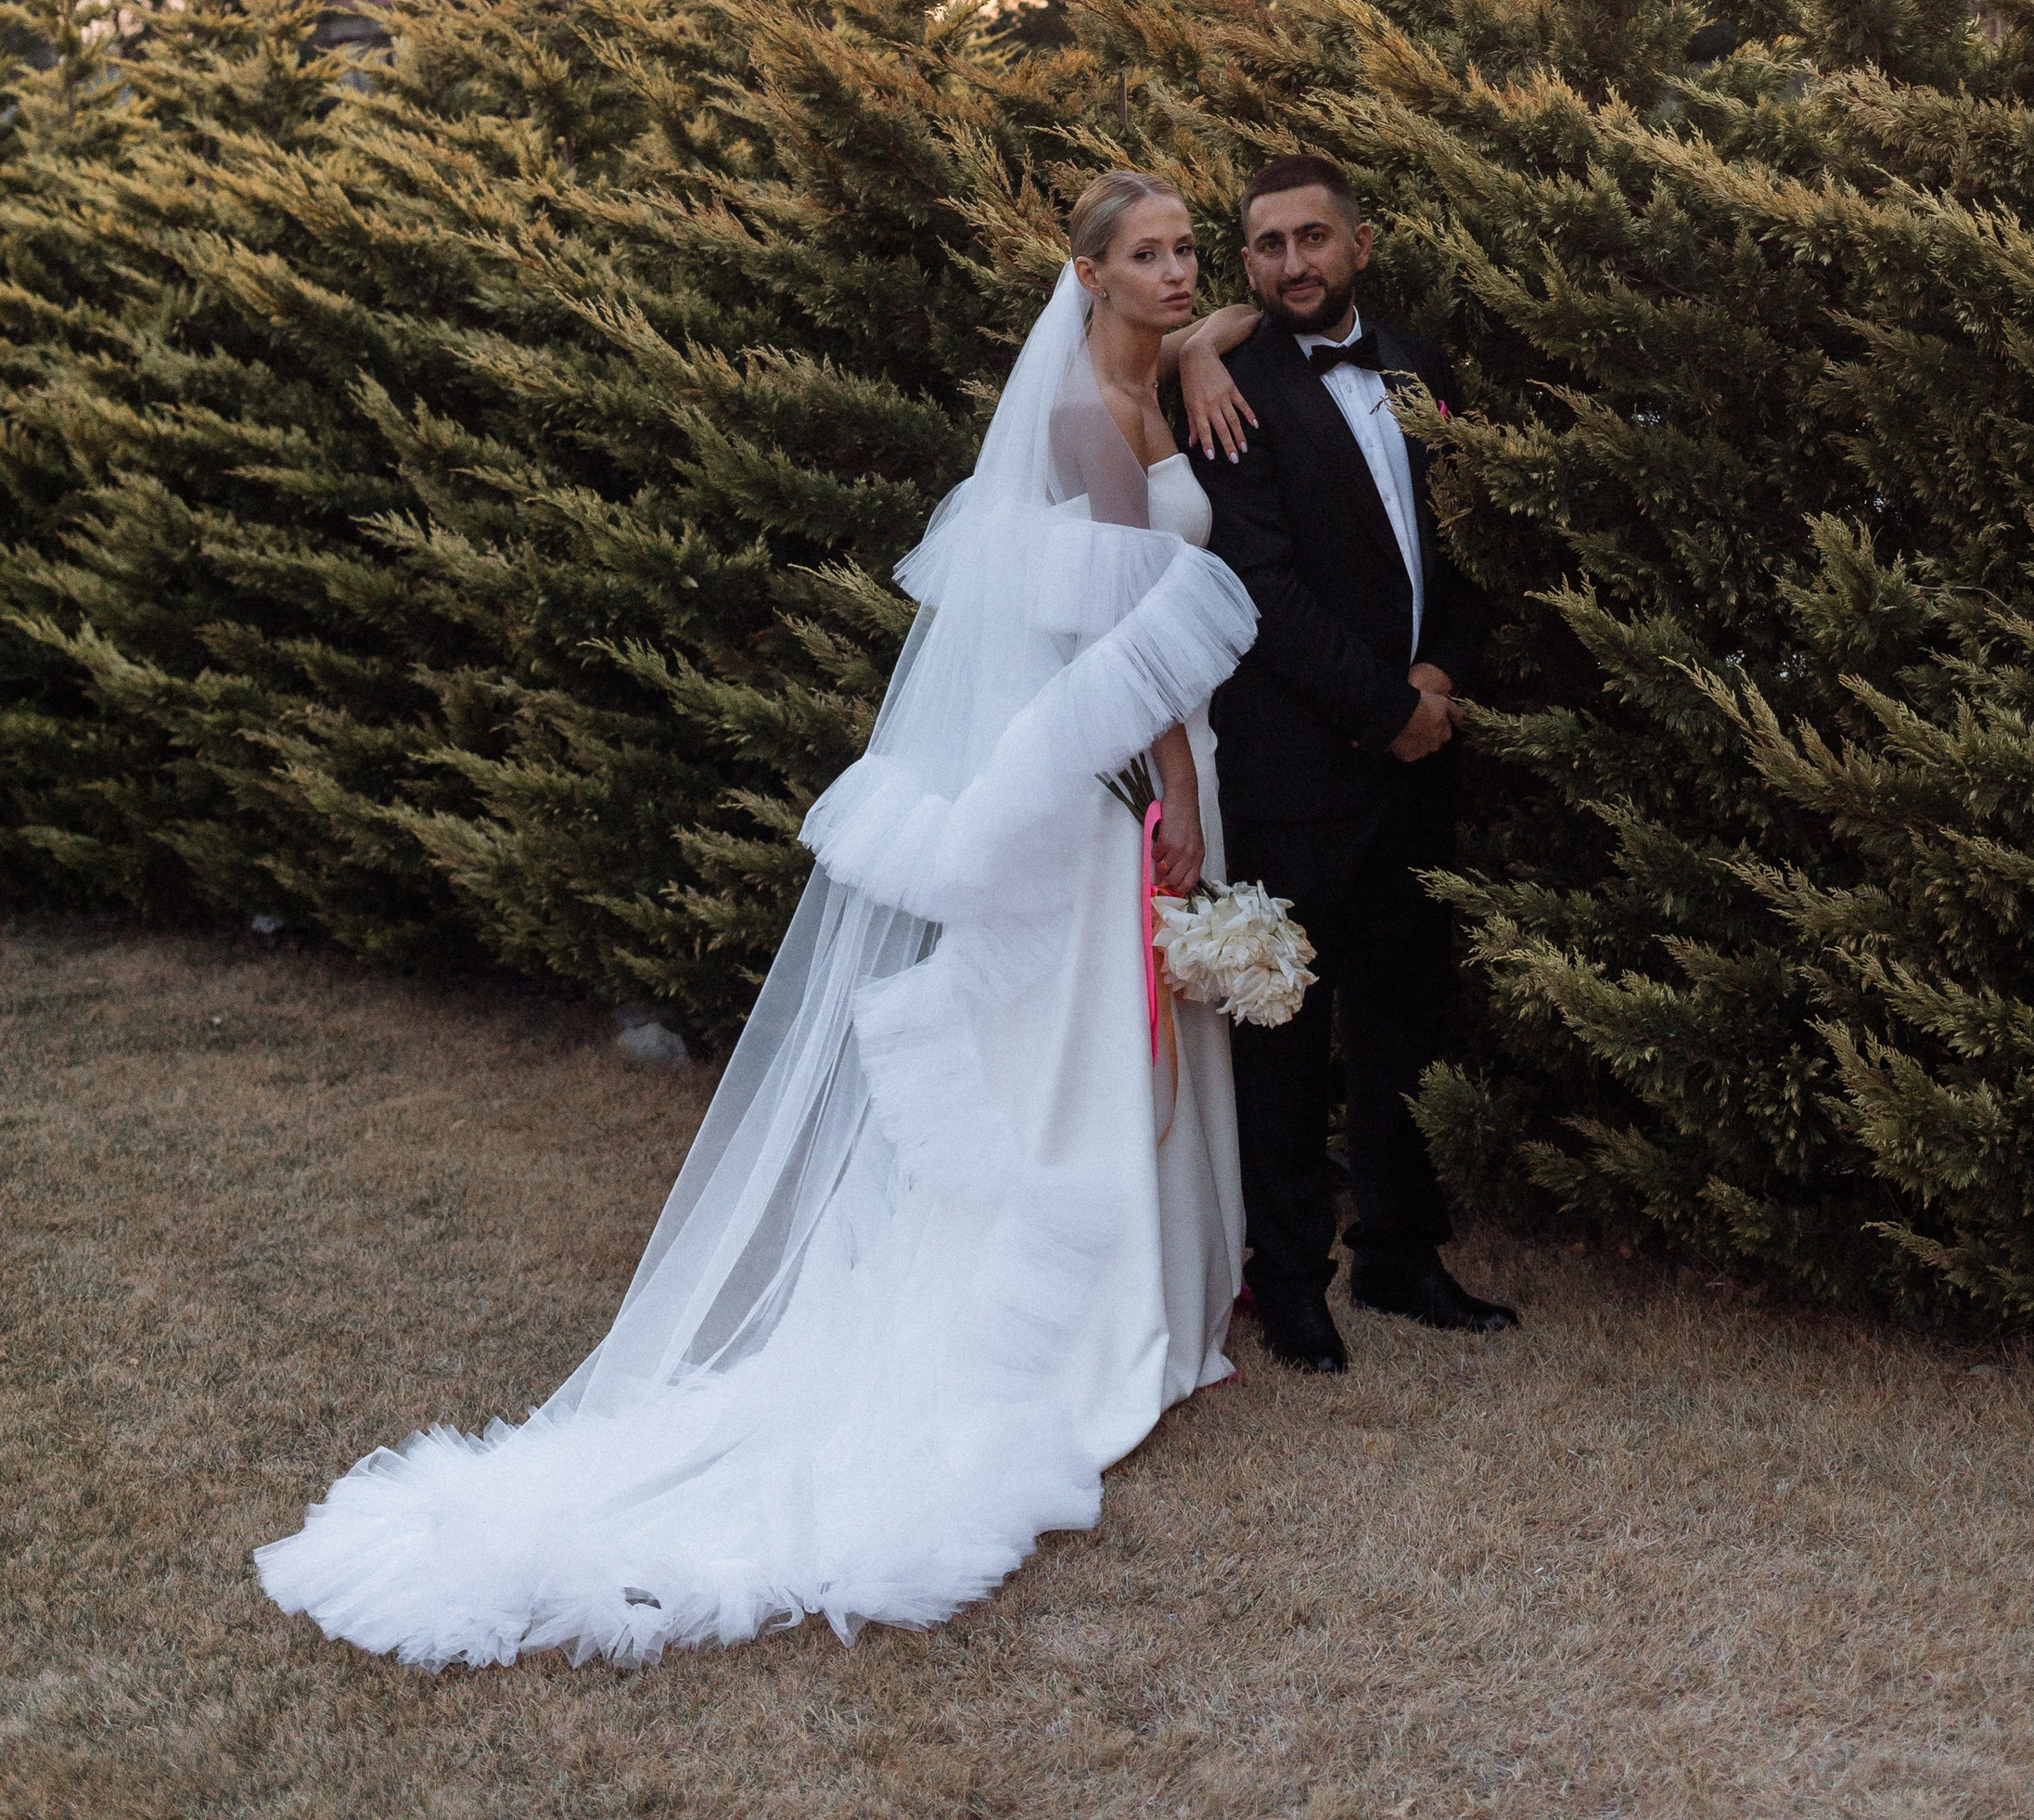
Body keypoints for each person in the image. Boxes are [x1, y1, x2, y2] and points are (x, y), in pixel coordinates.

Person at [256, 173, 1258, 1661]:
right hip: (1114, 777)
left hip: (1130, 769)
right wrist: (1173, 802)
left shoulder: (1147, 377)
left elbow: (1194, 370)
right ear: (1089, 276)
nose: (1182, 273)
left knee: (1118, 1037)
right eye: (1153, 258)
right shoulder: (1075, 423)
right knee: (1089, 1046)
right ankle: (1105, 1325)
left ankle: (1165, 1309)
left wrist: (1202, 343)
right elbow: (1126, 641)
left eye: (1189, 253)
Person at [1176, 152, 1517, 1372]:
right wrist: (1387, 709)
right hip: (1294, 765)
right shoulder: (1231, 392)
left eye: (1311, 239)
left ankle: (1402, 1253)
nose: (1292, 265)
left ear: (1358, 245)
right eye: (1266, 247)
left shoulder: (1421, 366)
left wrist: (1444, 679)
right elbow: (1258, 588)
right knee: (1283, 1031)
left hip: (1417, 755)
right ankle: (1293, 1279)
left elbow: (1472, 547)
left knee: (1404, 1012)